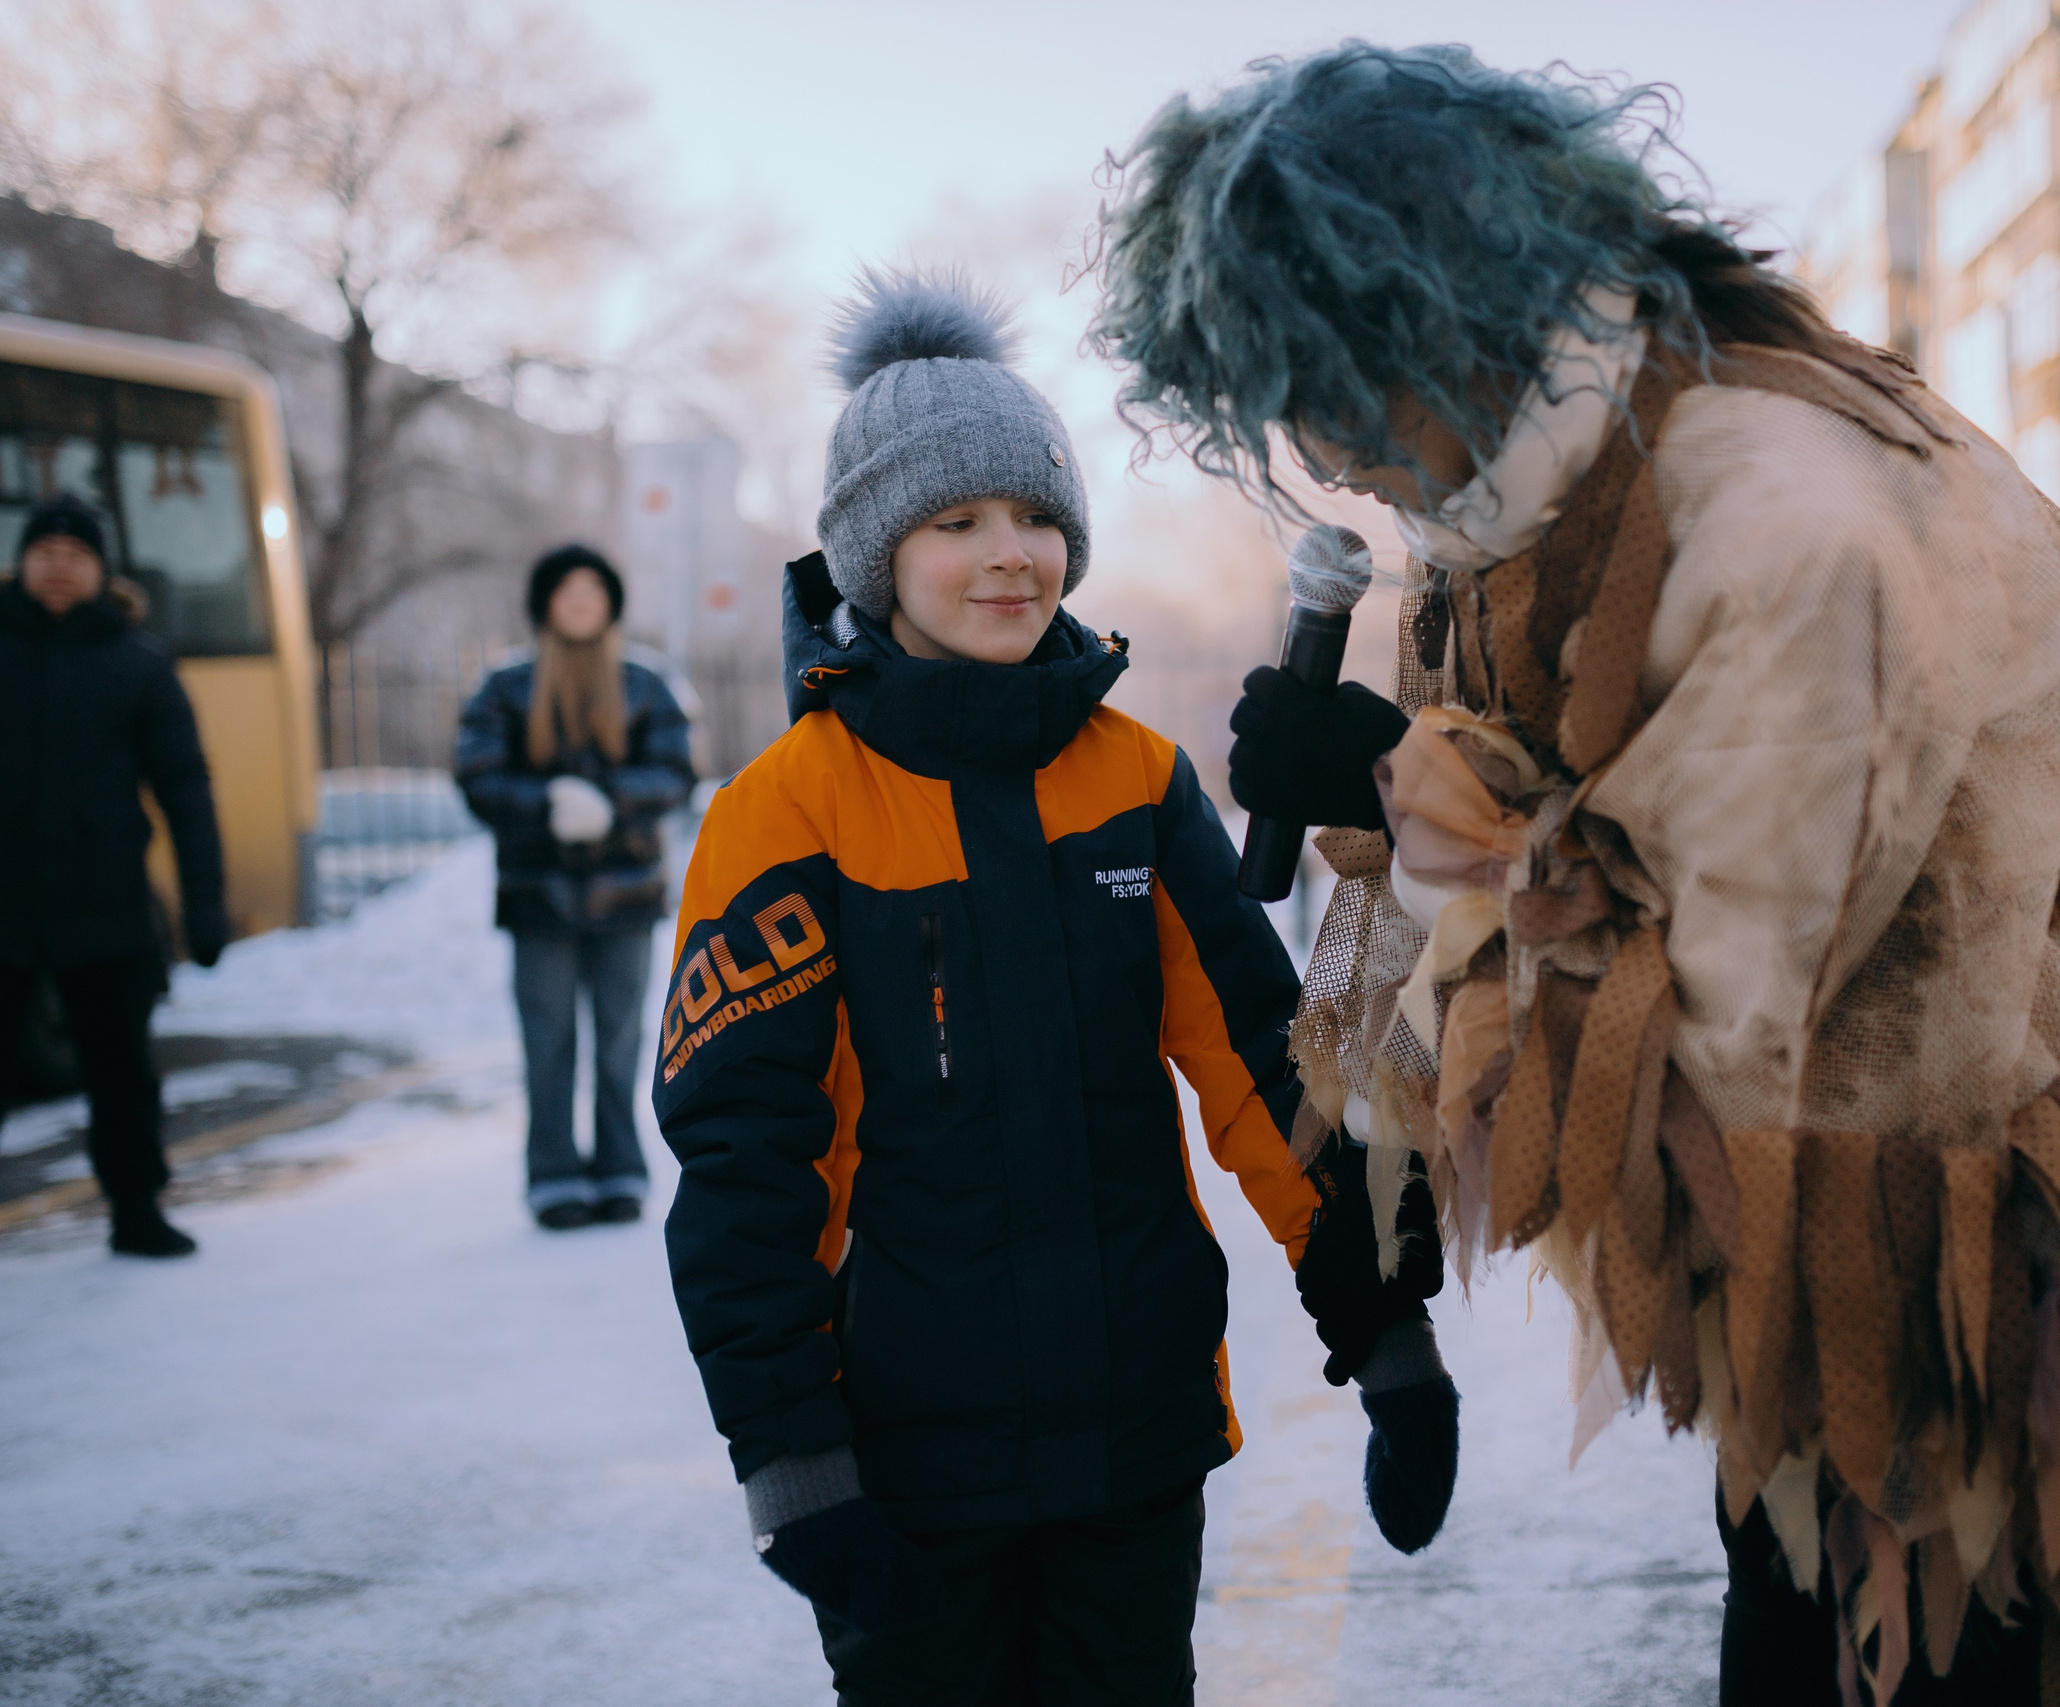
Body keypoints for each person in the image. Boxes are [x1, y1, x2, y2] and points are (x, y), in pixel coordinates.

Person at [1091, 44, 2060, 1707]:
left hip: (1932, 1222)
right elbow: (1561, 814)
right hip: (1796, 1239)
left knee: (1908, 1649)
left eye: (1329, 389)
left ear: (1438, 313)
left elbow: (1742, 998)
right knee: (1798, 1604)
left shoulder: (1782, 521)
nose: (1325, 459)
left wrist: (1399, 787)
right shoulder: (1539, 476)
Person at [652, 271, 1458, 1705]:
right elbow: (743, 1164)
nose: (1008, 553)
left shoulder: (1134, 779)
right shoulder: (785, 812)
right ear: (874, 554)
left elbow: (1270, 1070)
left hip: (1133, 1441)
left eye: (1033, 517)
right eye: (956, 522)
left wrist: (1387, 1335)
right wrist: (794, 1467)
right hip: (907, 1465)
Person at [0, 493, 225, 1256]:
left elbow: (185, 787)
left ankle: (136, 1207)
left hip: (105, 903)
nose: (58, 567)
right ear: (21, 563)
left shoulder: (138, 661)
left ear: (101, 570)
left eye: (75, 555)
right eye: (44, 552)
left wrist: (204, 906)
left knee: (120, 1072)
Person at [456, 545, 693, 1231]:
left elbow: (677, 769)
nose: (583, 598)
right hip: (539, 897)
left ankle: (621, 1170)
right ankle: (554, 1175)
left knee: (621, 1039)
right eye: (568, 587)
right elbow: (477, 774)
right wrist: (546, 803)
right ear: (546, 602)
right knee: (549, 1040)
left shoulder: (648, 682)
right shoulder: (506, 685)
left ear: (612, 601)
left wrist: (611, 802)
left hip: (627, 895)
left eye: (596, 586)